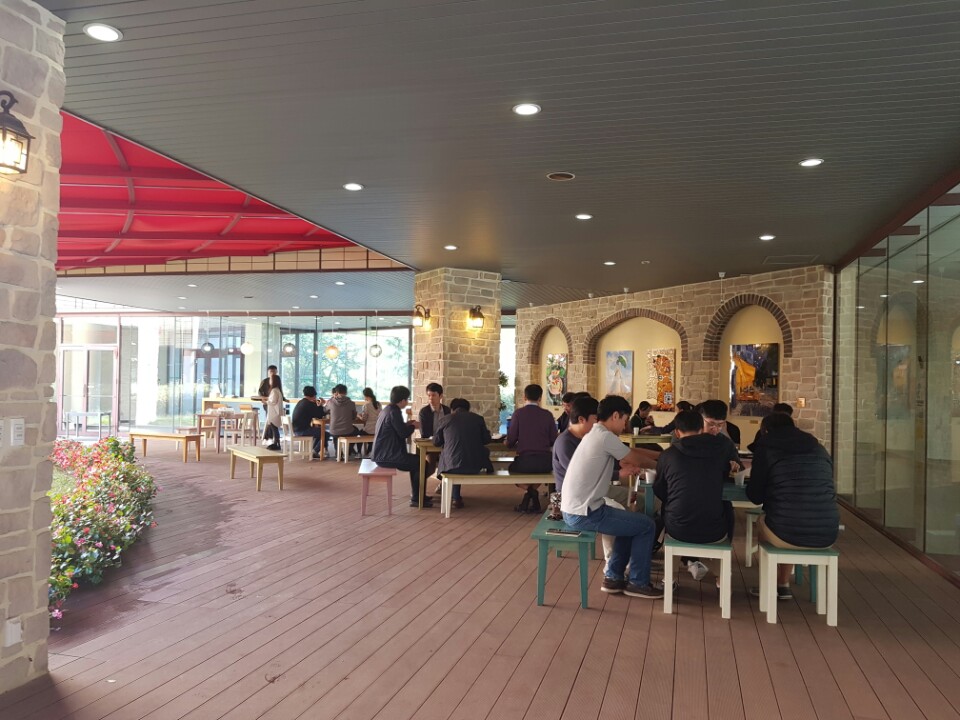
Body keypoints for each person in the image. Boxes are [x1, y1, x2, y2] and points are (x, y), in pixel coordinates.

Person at [561, 395, 662, 598]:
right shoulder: (604, 437)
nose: (625, 424)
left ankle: (613, 577)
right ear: (615, 415)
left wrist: (661, 457)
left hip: (578, 508)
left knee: (630, 523)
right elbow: (634, 458)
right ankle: (638, 582)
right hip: (584, 512)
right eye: (624, 419)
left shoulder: (597, 433)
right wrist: (664, 465)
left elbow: (629, 451)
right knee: (647, 525)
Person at [746, 413, 839, 599]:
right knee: (788, 517)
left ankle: (768, 586)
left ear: (765, 431)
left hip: (786, 531)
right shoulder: (818, 448)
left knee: (768, 521)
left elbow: (755, 497)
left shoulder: (766, 447)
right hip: (828, 531)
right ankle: (783, 583)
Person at [654, 410, 740, 581]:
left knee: (668, 510)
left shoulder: (668, 455)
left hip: (678, 529)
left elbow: (660, 490)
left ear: (677, 432)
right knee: (726, 508)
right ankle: (721, 577)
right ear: (701, 429)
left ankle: (670, 578)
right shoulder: (719, 453)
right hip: (714, 530)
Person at [372, 385, 431, 508]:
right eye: (407, 399)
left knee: (417, 462)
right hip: (388, 456)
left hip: (383, 453)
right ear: (403, 400)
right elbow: (403, 433)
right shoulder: (394, 412)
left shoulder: (388, 409)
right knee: (421, 463)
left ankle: (418, 496)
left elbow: (396, 428)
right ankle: (417, 498)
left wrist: (407, 424)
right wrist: (413, 426)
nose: (407, 402)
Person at [433, 398, 494, 509]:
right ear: (468, 409)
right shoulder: (478, 419)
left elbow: (436, 442)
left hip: (451, 467)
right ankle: (456, 497)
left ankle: (455, 497)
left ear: (452, 409)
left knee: (451, 456)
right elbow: (486, 440)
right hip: (474, 466)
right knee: (465, 455)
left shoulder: (445, 420)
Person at [506, 384, 558, 512]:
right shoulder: (547, 415)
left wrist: (507, 442)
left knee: (512, 470)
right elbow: (554, 439)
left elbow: (511, 440)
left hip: (525, 462)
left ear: (524, 397)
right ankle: (532, 493)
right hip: (545, 462)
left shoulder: (518, 414)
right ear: (540, 398)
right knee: (540, 474)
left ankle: (530, 492)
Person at [291, 386, 327, 459]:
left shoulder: (301, 402)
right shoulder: (309, 404)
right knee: (325, 433)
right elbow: (320, 414)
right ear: (314, 395)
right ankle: (315, 451)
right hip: (302, 431)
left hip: (296, 430)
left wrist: (316, 405)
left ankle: (314, 450)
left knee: (319, 432)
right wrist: (321, 405)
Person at [327, 384, 362, 456]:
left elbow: (325, 410)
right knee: (356, 431)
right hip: (347, 430)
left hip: (334, 430)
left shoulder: (331, 402)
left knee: (335, 434)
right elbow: (353, 417)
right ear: (346, 392)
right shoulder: (351, 403)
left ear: (336, 392)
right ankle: (349, 449)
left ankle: (338, 453)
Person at [258, 365, 284, 442]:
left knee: (272, 423)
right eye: (271, 371)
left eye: (274, 371)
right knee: (270, 422)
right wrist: (264, 399)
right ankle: (270, 437)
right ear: (268, 372)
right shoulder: (265, 381)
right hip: (268, 405)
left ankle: (270, 438)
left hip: (272, 406)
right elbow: (260, 392)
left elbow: (273, 400)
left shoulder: (275, 389)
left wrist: (267, 401)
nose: (272, 373)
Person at [357, 387, 381, 456]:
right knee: (371, 435)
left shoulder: (366, 405)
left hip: (369, 429)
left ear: (366, 396)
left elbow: (364, 419)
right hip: (378, 429)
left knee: (359, 434)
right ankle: (369, 451)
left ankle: (359, 453)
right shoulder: (379, 404)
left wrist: (358, 416)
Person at [264, 375, 284, 451]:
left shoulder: (274, 391)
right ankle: (276, 442)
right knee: (274, 428)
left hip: (274, 413)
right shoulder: (277, 390)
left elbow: (273, 401)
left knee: (274, 428)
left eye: (270, 380)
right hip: (275, 413)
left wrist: (266, 402)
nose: (269, 381)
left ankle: (277, 443)